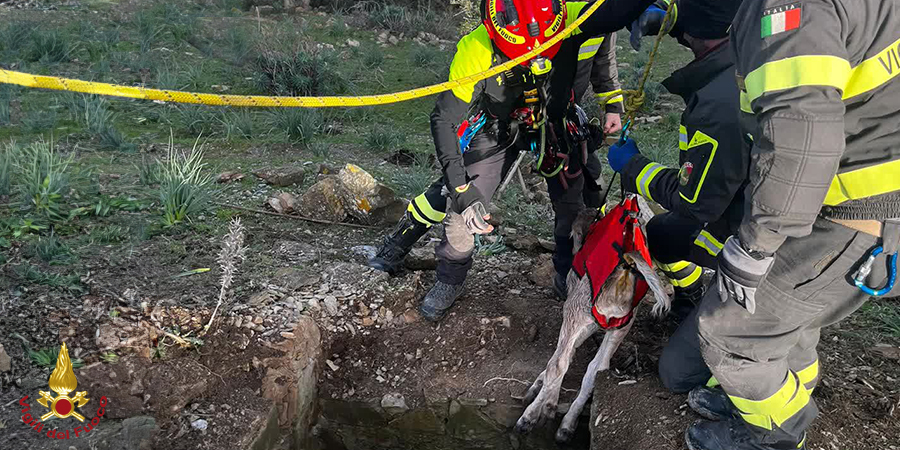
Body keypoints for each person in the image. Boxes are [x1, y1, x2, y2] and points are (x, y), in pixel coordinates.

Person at [679, 1, 900, 449]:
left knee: (731, 329)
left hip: (863, 212)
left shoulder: (789, 7)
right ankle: (784, 390)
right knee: (790, 314)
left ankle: (776, 429)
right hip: (863, 200)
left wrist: (757, 244)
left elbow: (799, 130)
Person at [366, 0, 655, 322]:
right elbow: (444, 120)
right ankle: (449, 278)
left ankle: (567, 272)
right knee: (458, 202)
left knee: (574, 203)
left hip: (558, 124)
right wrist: (462, 189)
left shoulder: (573, 11)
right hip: (499, 126)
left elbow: (615, 18)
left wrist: (655, 12)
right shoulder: (476, 46)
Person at [607, 0, 747, 325]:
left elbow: (695, 202)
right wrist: (672, 22)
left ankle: (726, 318)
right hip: (744, 203)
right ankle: (692, 291)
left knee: (677, 373)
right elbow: (712, 21)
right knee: (661, 233)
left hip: (755, 233)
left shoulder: (719, 105)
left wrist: (633, 166)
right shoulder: (748, 52)